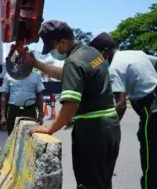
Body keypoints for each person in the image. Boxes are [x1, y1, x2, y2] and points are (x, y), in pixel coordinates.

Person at [29, 20, 121, 189]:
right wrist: (36, 64)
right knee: (103, 181)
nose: (53, 53)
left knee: (88, 183)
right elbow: (66, 75)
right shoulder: (91, 53)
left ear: (62, 42)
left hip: (92, 131)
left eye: (53, 47)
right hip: (110, 127)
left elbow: (70, 104)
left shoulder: (73, 61)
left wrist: (50, 128)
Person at [89, 32, 157, 189]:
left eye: (97, 56)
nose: (98, 60)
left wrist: (108, 130)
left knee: (151, 162)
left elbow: (121, 105)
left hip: (153, 110)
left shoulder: (114, 68)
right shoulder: (137, 53)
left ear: (105, 51)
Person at [0, 71, 45, 135]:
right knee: (12, 135)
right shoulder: (9, 75)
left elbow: (40, 95)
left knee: (30, 136)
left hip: (30, 110)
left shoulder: (35, 76)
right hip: (13, 111)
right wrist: (3, 116)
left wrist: (41, 115)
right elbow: (4, 97)